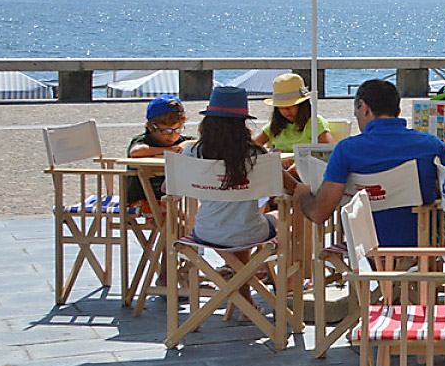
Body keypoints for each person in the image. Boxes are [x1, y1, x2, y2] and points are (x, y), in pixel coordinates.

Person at [295, 78, 445, 248]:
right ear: (398, 111)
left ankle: (382, 278)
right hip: (424, 243)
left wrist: (302, 193)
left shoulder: (346, 150)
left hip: (365, 245)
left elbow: (319, 214)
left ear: (364, 108)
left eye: (356, 112)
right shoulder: (430, 145)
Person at [185, 86, 278, 249]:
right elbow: (282, 188)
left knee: (232, 228)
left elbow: (168, 187)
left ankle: (238, 271)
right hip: (250, 232)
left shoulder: (193, 152)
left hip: (206, 233)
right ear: (242, 123)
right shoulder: (257, 155)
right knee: (281, 216)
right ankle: (250, 272)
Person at [124, 94, 193, 212]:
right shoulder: (144, 140)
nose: (172, 135)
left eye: (177, 129)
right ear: (151, 127)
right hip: (140, 199)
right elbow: (136, 151)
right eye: (166, 131)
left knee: (186, 221)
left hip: (168, 198)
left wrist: (184, 145)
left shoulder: (180, 140)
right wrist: (169, 150)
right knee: (174, 224)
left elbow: (201, 142)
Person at [253, 73, 336, 152]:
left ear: (302, 105)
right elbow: (252, 146)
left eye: (289, 107)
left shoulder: (315, 123)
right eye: (281, 108)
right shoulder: (275, 125)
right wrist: (272, 152)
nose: (285, 111)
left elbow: (330, 149)